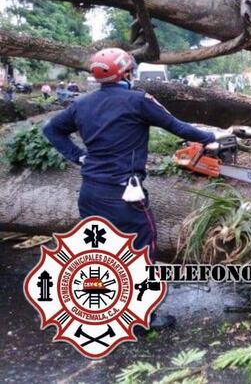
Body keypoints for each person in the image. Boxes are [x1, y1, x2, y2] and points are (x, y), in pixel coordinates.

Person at [42, 48, 227, 330]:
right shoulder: (138, 100)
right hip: (123, 195)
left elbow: (51, 129)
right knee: (139, 250)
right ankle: (141, 319)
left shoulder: (82, 104)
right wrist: (211, 137)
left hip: (90, 192)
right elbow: (176, 126)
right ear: (126, 73)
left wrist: (78, 156)